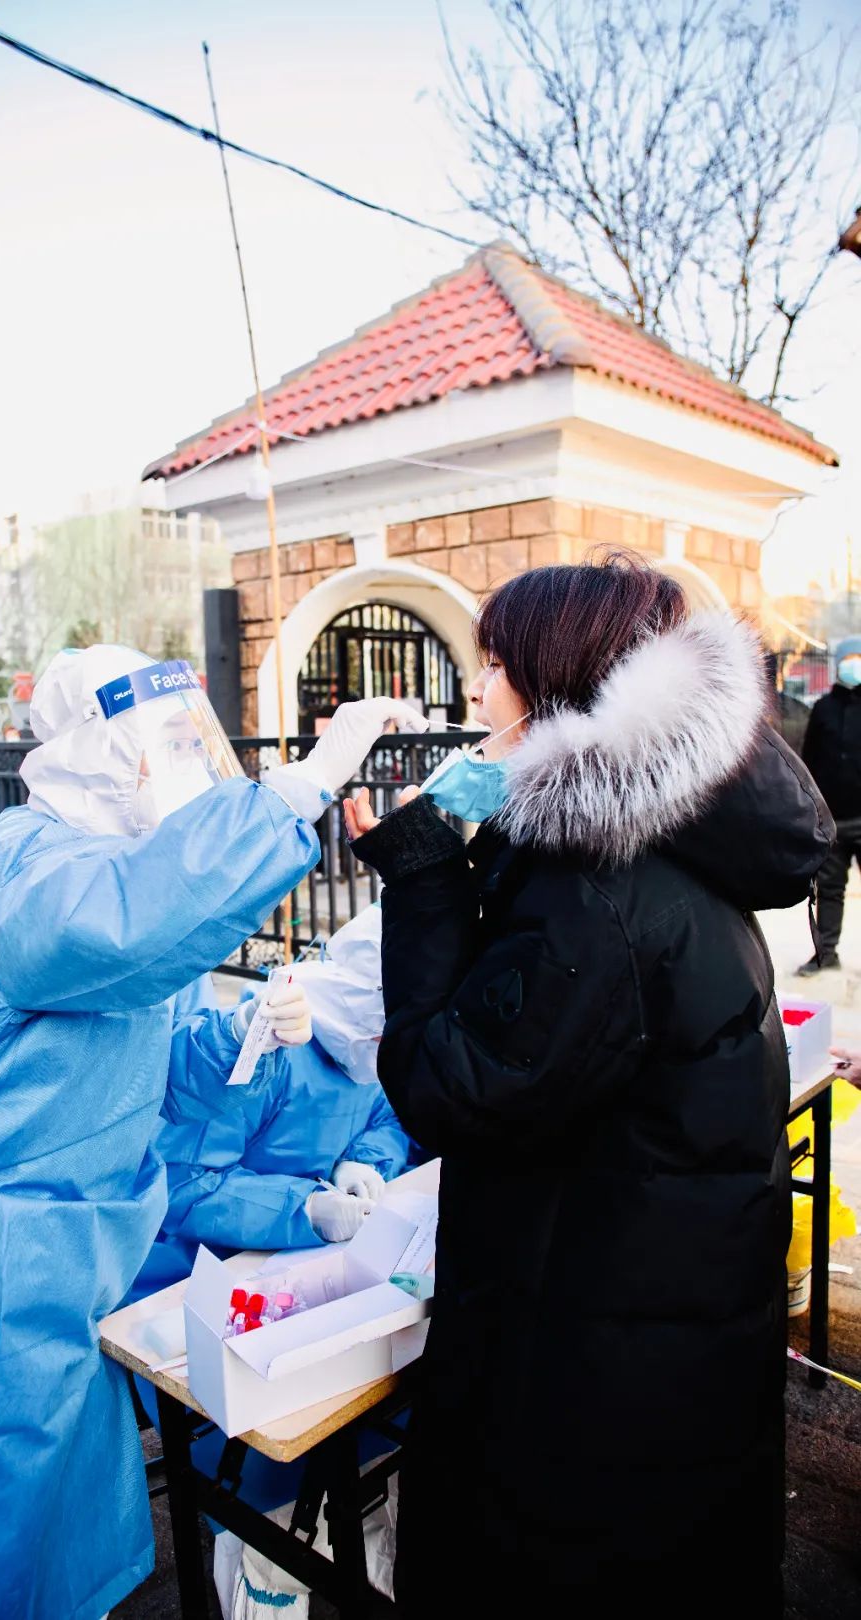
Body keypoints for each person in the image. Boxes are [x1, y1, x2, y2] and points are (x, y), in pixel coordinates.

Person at [0, 641, 425, 1620]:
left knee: (35, 1544)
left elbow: (147, 1053)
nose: (186, 764)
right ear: (104, 753)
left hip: (51, 1268)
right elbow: (126, 925)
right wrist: (297, 788)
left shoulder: (101, 872)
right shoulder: (33, 869)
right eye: (169, 740)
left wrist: (249, 1033)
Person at [344, 558, 832, 1618]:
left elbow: (446, 1085)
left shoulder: (593, 897)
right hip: (663, 1325)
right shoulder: (665, 828)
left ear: (554, 683)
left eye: (494, 667)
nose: (477, 694)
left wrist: (427, 875)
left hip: (589, 1373)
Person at [134, 904, 412, 1620]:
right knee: (276, 1454)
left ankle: (358, 1525)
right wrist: (304, 1209)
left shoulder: (371, 1046)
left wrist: (364, 1166)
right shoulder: (271, 1049)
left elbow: (388, 1117)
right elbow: (183, 1187)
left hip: (308, 1271)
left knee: (378, 1414)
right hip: (194, 1286)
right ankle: (261, 1561)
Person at [798, 635, 861, 973]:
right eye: (848, 657)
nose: (853, 663)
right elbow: (808, 762)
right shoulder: (824, 708)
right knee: (830, 890)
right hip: (833, 819)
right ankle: (826, 953)